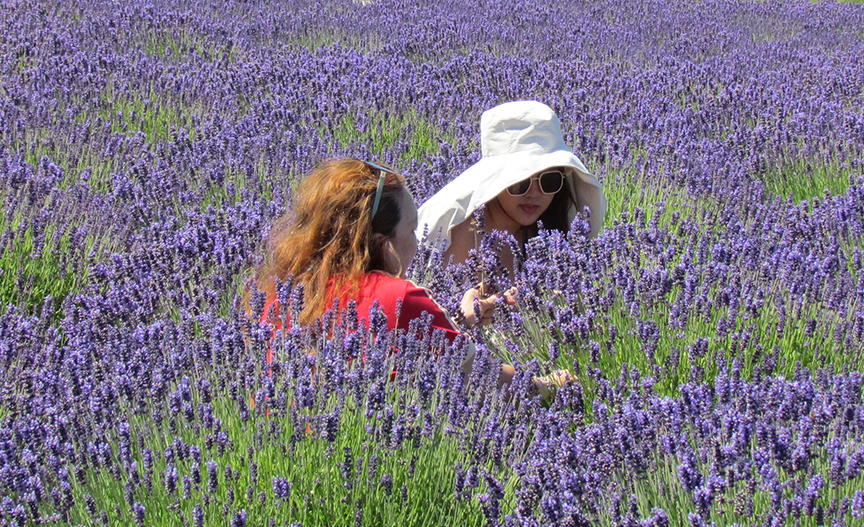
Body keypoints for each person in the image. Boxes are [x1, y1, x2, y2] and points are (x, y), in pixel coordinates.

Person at [251, 157, 570, 396]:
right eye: (413, 228)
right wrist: (552, 386)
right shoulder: (398, 297)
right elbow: (485, 377)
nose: (418, 241)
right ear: (383, 244)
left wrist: (461, 318)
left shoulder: (281, 291)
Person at [416, 100, 606, 327]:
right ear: (497, 181)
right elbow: (431, 328)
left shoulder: (550, 232)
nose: (535, 194)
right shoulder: (461, 235)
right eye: (520, 182)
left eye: (549, 180)